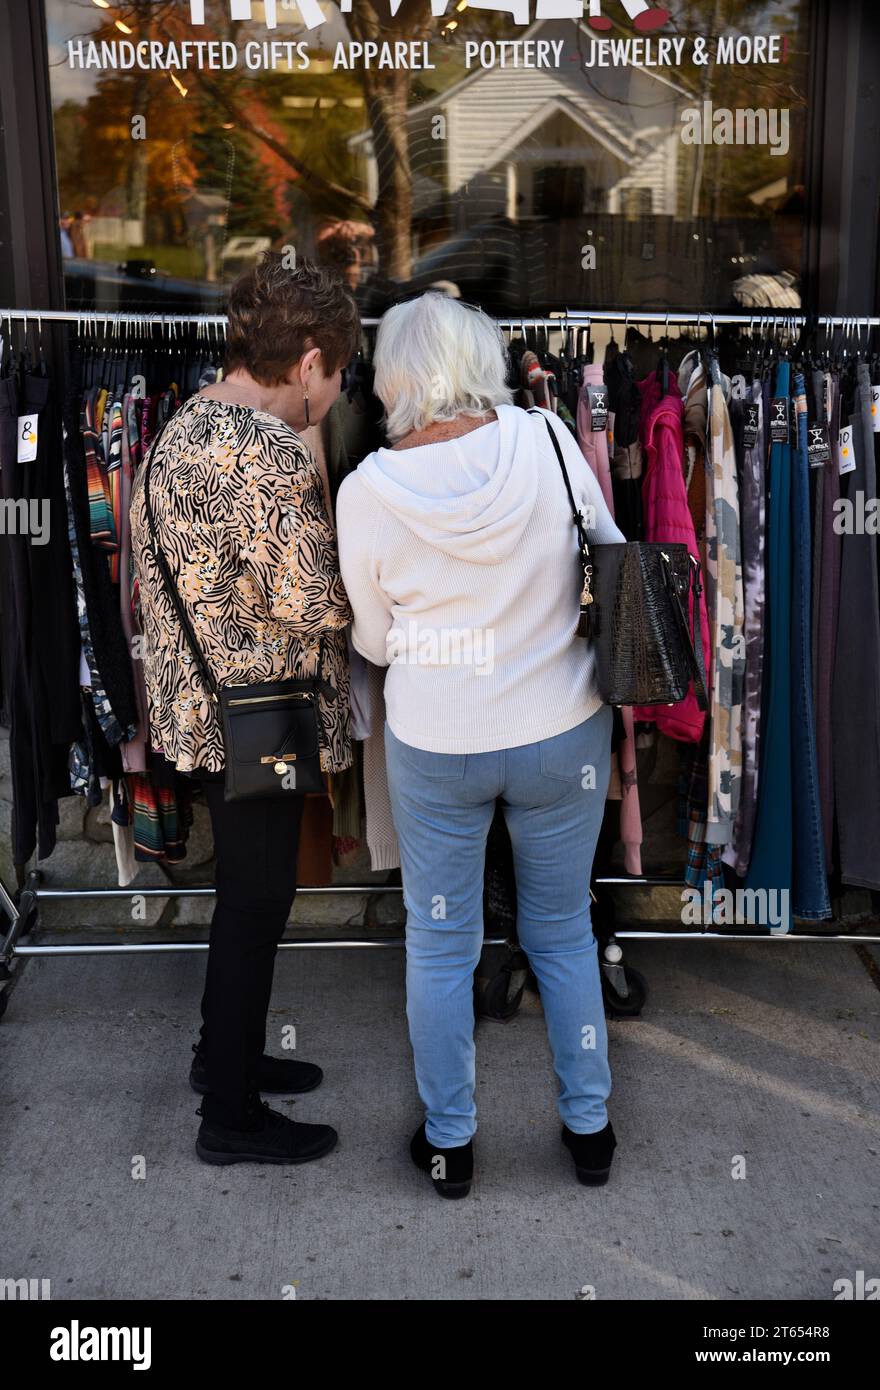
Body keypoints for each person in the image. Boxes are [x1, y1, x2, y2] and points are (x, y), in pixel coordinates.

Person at [337, 293, 626, 1198]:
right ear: (484, 357)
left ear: (392, 376)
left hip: (437, 745)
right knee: (562, 935)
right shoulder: (546, 439)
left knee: (439, 944)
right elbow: (611, 556)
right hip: (561, 731)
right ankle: (590, 1133)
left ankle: (451, 1146)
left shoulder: (367, 492)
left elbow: (375, 645)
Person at [130, 254, 359, 1166]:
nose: (334, 398)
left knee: (244, 897)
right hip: (258, 717)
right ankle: (228, 1114)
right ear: (307, 362)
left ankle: (218, 1058)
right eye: (336, 378)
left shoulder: (183, 425)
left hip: (204, 708)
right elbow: (317, 601)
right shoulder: (263, 452)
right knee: (256, 903)